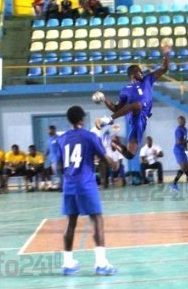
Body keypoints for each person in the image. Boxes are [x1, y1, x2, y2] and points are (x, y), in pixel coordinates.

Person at [57, 106, 118, 275]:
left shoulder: (62, 139)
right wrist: (114, 163)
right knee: (97, 219)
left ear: (70, 120)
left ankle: (68, 263)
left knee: (70, 222)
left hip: (69, 185)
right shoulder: (89, 136)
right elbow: (105, 159)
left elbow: (60, 165)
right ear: (82, 120)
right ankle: (101, 263)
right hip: (86, 184)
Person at [95, 43, 171, 159]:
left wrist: (166, 53)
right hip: (135, 116)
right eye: (139, 71)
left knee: (130, 155)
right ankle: (108, 119)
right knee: (137, 105)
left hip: (142, 120)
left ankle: (111, 142)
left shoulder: (147, 80)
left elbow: (164, 68)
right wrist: (104, 99)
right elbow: (116, 108)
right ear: (132, 74)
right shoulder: (125, 90)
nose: (142, 73)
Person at [170, 117, 188, 191]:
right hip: (178, 150)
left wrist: (186, 149)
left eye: (184, 121)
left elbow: (184, 140)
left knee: (187, 167)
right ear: (179, 122)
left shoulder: (185, 129)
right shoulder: (178, 130)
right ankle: (174, 183)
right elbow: (179, 142)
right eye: (181, 121)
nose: (183, 122)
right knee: (183, 167)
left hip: (182, 150)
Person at [45, 125, 62, 191]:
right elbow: (48, 148)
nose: (48, 131)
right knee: (55, 172)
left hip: (57, 158)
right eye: (48, 130)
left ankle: (61, 186)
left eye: (50, 130)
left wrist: (59, 157)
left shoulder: (58, 138)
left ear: (54, 130)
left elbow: (61, 148)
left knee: (58, 172)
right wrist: (45, 154)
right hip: (51, 159)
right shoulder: (49, 139)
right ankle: (58, 185)